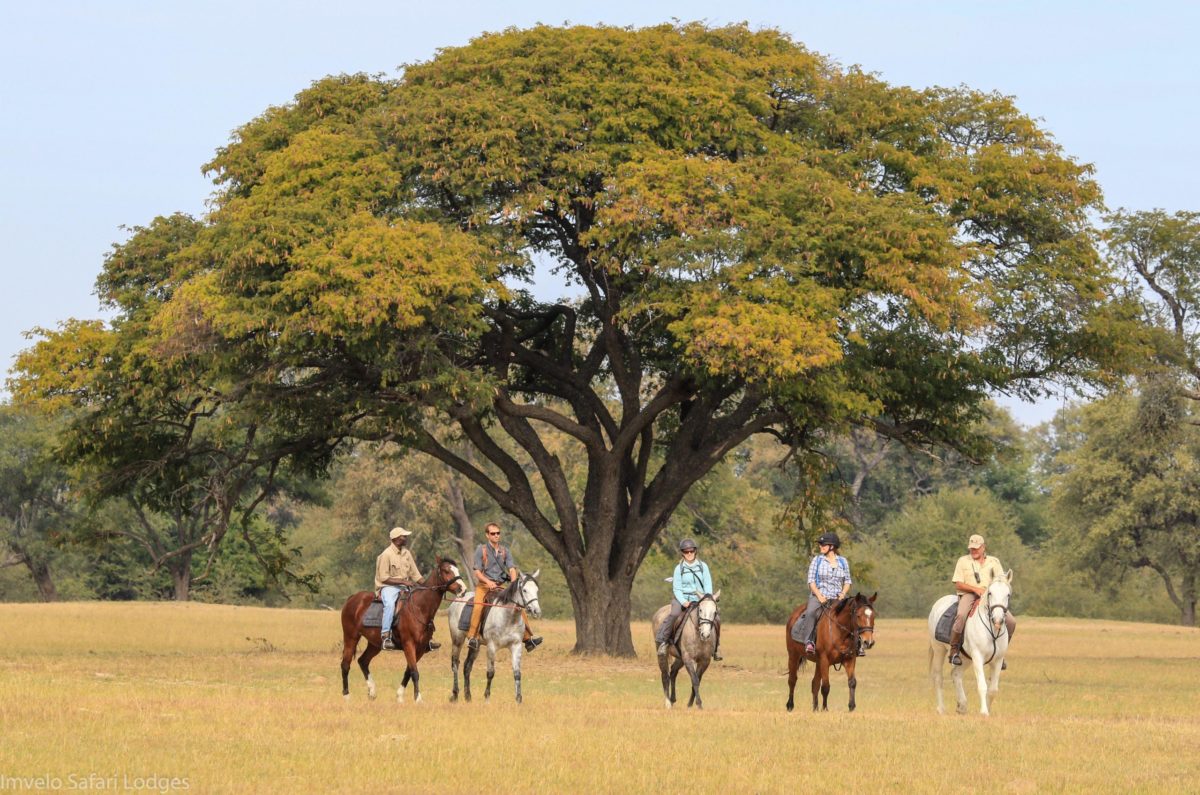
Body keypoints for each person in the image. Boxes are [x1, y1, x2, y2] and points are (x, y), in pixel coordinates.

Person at [466, 522, 542, 653]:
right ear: (487, 535)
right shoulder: (481, 549)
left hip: (500, 586)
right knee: (478, 606)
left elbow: (512, 568)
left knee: (519, 605)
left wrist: (513, 583)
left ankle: (528, 639)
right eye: (493, 533)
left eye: (498, 533)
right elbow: (477, 572)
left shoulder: (505, 551)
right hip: (484, 586)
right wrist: (488, 581)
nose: (496, 535)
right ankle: (473, 637)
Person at [949, 533, 1016, 667]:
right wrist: (975, 589)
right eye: (971, 548)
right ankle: (954, 650)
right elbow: (958, 584)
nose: (973, 551)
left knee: (1011, 622)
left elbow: (1001, 581)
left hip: (990, 596)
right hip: (969, 594)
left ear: (983, 547)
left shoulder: (994, 562)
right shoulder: (963, 561)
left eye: (976, 548)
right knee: (961, 616)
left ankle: (1000, 654)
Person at [655, 538, 722, 661]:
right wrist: (684, 601)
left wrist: (706, 599)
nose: (689, 554)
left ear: (695, 551)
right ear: (682, 553)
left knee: (716, 617)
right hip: (683, 599)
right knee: (674, 614)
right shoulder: (678, 569)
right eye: (686, 552)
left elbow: (708, 585)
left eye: (691, 551)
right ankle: (664, 642)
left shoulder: (703, 567)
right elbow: (677, 588)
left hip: (701, 599)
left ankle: (716, 647)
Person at [375, 526, 439, 652]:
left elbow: (415, 575)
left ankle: (427, 638)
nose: (406, 538)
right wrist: (404, 581)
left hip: (404, 587)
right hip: (388, 587)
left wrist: (428, 587)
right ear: (396, 539)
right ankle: (386, 636)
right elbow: (383, 577)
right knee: (389, 605)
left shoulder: (406, 553)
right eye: (404, 536)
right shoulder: (386, 554)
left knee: (422, 605)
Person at [791, 532, 854, 656]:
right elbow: (811, 581)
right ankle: (809, 641)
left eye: (823, 544)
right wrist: (819, 596)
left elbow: (847, 581)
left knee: (854, 613)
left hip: (838, 597)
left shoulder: (843, 562)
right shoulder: (817, 560)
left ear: (832, 546)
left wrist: (843, 593)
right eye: (820, 544)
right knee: (810, 613)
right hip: (820, 596)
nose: (820, 546)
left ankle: (857, 643)